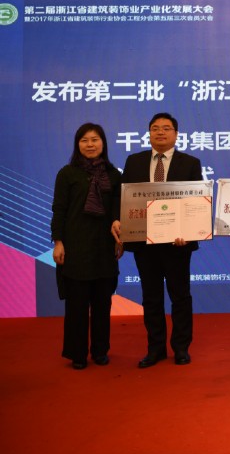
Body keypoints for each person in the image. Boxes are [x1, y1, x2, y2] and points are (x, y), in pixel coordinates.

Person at [112, 112, 202, 368]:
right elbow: (123, 197)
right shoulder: (134, 161)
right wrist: (118, 220)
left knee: (180, 296)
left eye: (166, 128)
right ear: (149, 133)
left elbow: (196, 202)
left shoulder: (190, 163)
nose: (160, 132)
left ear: (176, 134)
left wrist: (190, 232)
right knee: (151, 297)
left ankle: (181, 348)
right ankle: (156, 348)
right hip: (144, 242)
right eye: (155, 128)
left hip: (177, 243)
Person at [51, 123, 122, 369]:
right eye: (84, 140)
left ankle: (100, 351)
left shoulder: (114, 175)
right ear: (77, 144)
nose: (90, 144)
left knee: (102, 304)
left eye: (95, 139)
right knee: (77, 306)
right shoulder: (67, 173)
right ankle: (77, 354)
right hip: (75, 247)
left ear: (103, 143)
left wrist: (120, 238)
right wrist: (58, 241)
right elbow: (59, 210)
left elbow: (118, 211)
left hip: (104, 247)